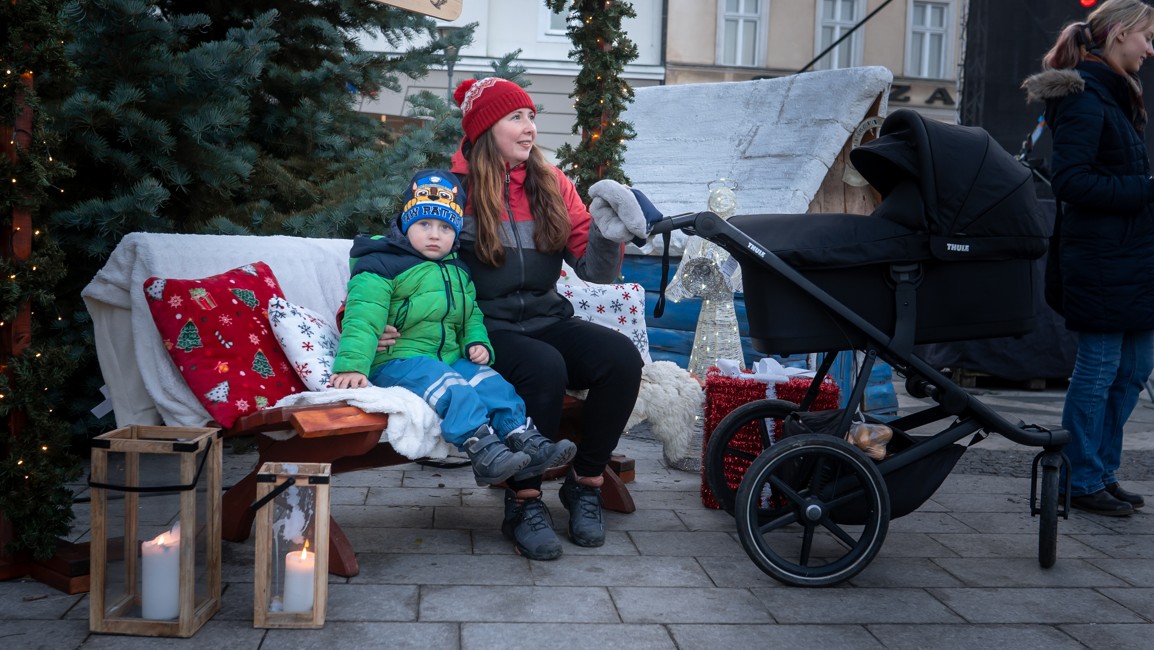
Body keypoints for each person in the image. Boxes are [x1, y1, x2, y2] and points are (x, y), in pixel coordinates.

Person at [383, 77, 646, 560]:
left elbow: (596, 271)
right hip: (482, 329)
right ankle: (524, 501)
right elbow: (394, 257)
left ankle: (586, 482)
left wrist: (609, 235)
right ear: (486, 129)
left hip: (547, 317)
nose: (530, 129)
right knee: (543, 366)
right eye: (516, 117)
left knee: (621, 358)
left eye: (531, 117)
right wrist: (365, 319)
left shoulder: (553, 183)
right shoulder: (450, 190)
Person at [330, 168, 577, 488]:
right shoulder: (381, 263)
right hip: (398, 360)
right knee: (454, 388)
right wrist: (352, 365)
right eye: (424, 224)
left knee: (492, 384)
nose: (435, 235)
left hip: (446, 357)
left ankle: (524, 438)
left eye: (445, 227)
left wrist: (477, 342)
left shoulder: (457, 269)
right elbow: (363, 317)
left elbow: (470, 314)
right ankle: (482, 449)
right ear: (406, 224)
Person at [1023, 0, 1154, 516]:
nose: (1150, 48)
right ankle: (1079, 479)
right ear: (1119, 33)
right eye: (1146, 37)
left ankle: (1102, 471)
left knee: (1134, 370)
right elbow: (1071, 183)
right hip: (1101, 261)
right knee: (1099, 372)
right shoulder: (1084, 97)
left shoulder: (1115, 94)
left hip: (1129, 260)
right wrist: (1146, 189)